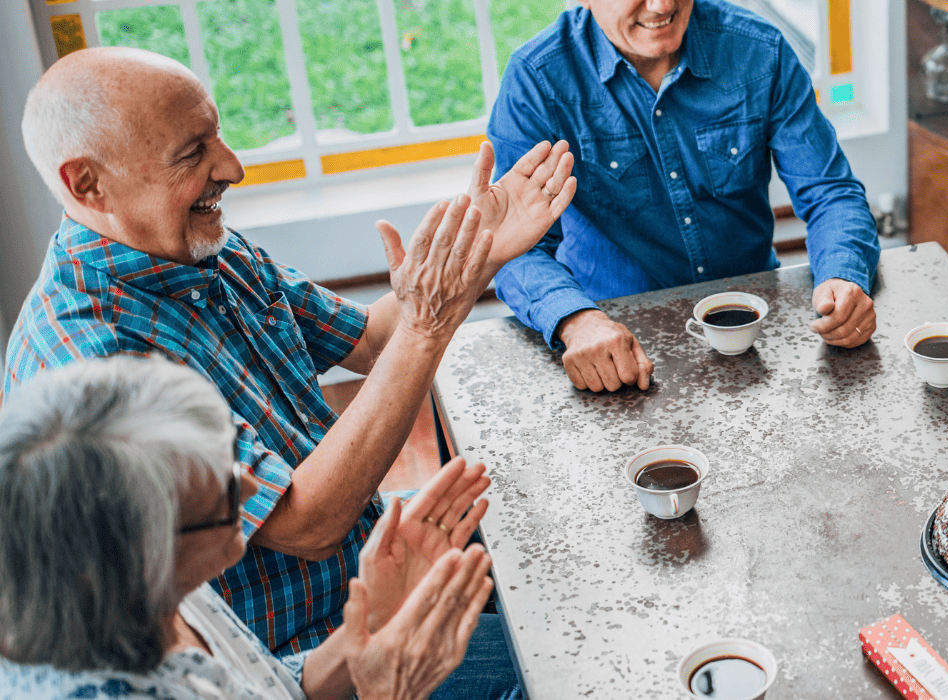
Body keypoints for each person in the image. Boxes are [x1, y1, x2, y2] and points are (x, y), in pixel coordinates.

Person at [5, 47, 572, 697]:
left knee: (544, 531)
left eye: (217, 134)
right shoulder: (92, 360)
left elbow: (367, 340)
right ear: (87, 184)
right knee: (551, 655)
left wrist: (476, 250)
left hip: (361, 565)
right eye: (192, 153)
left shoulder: (198, 244)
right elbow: (308, 523)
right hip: (294, 647)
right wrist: (427, 323)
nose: (233, 167)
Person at [0, 357, 497, 700]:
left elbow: (269, 685)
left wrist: (364, 634)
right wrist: (390, 691)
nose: (254, 489)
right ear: (140, 559)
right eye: (223, 500)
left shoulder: (158, 593)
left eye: (229, 464)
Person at [488, 0, 882, 393]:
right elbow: (513, 248)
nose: (662, 5)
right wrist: (577, 321)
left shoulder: (759, 49)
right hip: (617, 348)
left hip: (755, 339)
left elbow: (830, 192)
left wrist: (843, 273)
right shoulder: (537, 79)